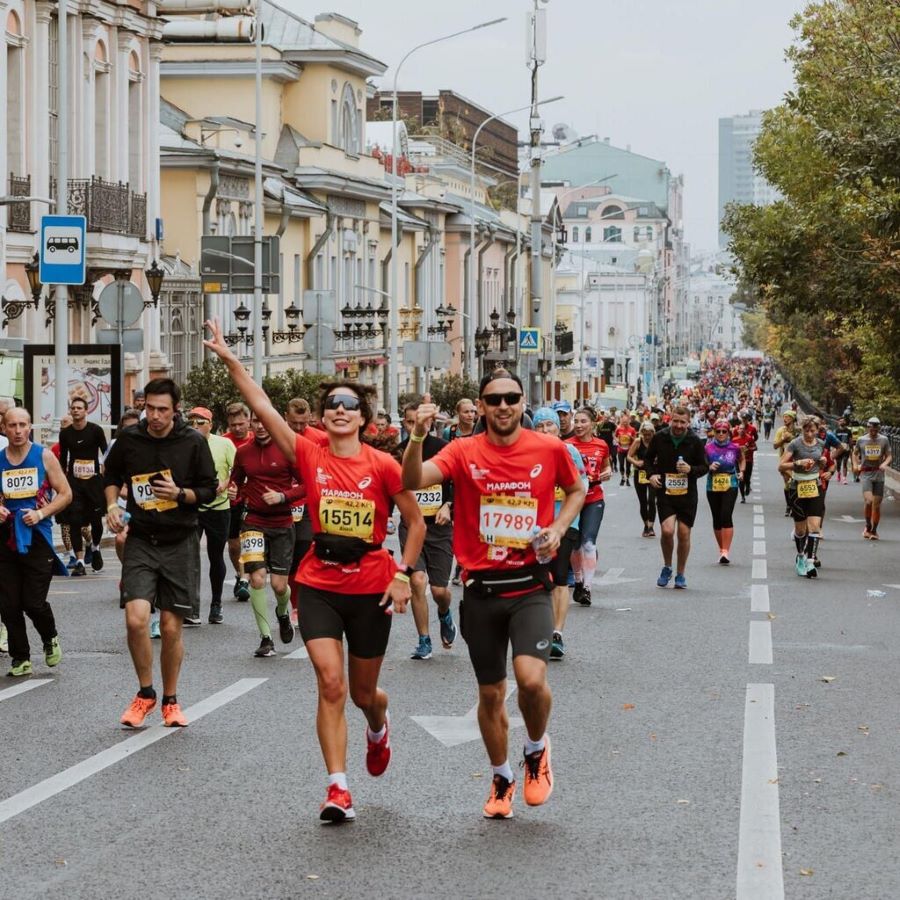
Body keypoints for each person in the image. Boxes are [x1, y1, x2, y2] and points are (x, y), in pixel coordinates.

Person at [204, 319, 424, 824]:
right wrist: (229, 359)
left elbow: (413, 524)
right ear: (322, 418)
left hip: (371, 581)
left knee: (365, 693)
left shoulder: (384, 465)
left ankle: (377, 724)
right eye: (333, 406)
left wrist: (402, 573)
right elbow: (260, 405)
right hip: (320, 580)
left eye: (350, 406)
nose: (340, 412)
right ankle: (338, 787)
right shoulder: (308, 452)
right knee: (330, 683)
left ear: (364, 418)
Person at [402, 374, 584, 820]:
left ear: (523, 402)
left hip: (529, 585)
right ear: (481, 407)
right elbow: (412, 478)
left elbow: (576, 488)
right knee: (490, 696)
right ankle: (502, 776)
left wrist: (558, 528)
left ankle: (537, 750)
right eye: (493, 400)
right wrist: (418, 437)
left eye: (511, 398)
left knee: (531, 680)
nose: (503, 406)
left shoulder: (549, 449)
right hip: (481, 591)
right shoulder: (463, 451)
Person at [104, 378, 218, 728]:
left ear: (175, 410)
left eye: (162, 410)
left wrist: (180, 494)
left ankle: (171, 700)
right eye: (149, 408)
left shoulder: (193, 442)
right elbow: (109, 474)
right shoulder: (129, 439)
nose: (154, 416)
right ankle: (145, 694)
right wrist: (111, 504)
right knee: (136, 618)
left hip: (180, 540)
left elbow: (209, 490)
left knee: (170, 628)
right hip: (140, 538)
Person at [0, 407, 72, 677]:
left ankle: (49, 636)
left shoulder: (42, 456)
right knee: (8, 603)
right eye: (12, 426)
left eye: (22, 425)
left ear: (30, 427)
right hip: (5, 537)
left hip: (37, 537)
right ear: (4, 429)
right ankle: (20, 658)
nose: (18, 431)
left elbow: (65, 494)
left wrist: (41, 512)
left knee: (33, 602)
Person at [228, 412, 302, 656]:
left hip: (282, 523)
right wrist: (234, 494)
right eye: (256, 421)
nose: (260, 426)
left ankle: (282, 613)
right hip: (253, 521)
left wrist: (283, 497)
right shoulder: (244, 452)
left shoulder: (286, 449)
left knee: (280, 586)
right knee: (257, 579)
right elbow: (236, 482)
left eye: (265, 421)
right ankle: (266, 638)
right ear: (251, 423)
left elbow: (307, 485)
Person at [397, 402, 457, 660]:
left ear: (429, 423)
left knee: (439, 591)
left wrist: (448, 504)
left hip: (440, 528)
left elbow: (458, 482)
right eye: (409, 422)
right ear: (404, 424)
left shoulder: (443, 449)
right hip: (411, 527)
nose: (414, 426)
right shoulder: (399, 452)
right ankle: (424, 639)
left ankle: (444, 613)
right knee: (417, 581)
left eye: (418, 421)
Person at [532, 407, 586, 660]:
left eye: (549, 426)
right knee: (540, 579)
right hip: (534, 526)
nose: (545, 431)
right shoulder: (528, 453)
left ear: (558, 428)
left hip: (564, 523)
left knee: (560, 576)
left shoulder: (570, 453)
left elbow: (580, 488)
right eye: (540, 426)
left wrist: (565, 521)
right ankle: (537, 627)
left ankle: (557, 633)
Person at [644, 406, 709, 589]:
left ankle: (680, 574)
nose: (678, 425)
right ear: (670, 419)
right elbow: (648, 459)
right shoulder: (660, 437)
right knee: (667, 531)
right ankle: (667, 566)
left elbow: (704, 467)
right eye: (675, 421)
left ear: (688, 422)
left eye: (682, 422)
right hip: (665, 492)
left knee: (683, 533)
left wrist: (690, 470)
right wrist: (651, 475)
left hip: (687, 494)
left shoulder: (694, 441)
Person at [189, 406, 235, 625]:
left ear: (210, 424)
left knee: (216, 557)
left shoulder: (224, 444)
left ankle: (216, 604)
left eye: (200, 422)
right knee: (189, 556)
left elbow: (237, 470)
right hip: (194, 508)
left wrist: (225, 484)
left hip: (219, 507)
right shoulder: (185, 443)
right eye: (192, 422)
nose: (196, 426)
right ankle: (191, 606)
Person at [565, 406, 611, 607]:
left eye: (584, 421)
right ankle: (577, 580)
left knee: (589, 542)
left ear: (593, 424)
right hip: (572, 500)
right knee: (574, 544)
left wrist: (606, 472)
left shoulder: (601, 445)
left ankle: (587, 588)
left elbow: (606, 465)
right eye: (577, 421)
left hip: (594, 498)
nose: (579, 425)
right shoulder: (566, 445)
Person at [56, 397, 108, 575]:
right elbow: (63, 459)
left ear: (86, 411)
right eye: (73, 408)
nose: (76, 410)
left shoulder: (95, 430)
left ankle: (94, 547)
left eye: (79, 408)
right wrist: (62, 480)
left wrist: (104, 472)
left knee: (96, 521)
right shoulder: (66, 434)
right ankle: (79, 561)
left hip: (93, 481)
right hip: (74, 481)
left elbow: (106, 452)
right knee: (74, 520)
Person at [284, 398, 322, 624]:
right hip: (282, 503)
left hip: (308, 502)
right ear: (285, 417)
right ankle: (294, 603)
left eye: (303, 423)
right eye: (294, 423)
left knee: (305, 552)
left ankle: (304, 605)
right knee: (288, 562)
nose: (298, 428)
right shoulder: (277, 436)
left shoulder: (318, 438)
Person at [778, 416, 830, 577]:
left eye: (812, 430)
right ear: (802, 430)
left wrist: (822, 463)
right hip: (797, 487)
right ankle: (800, 556)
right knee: (800, 529)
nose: (809, 434)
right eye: (806, 430)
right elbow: (781, 465)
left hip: (815, 487)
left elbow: (826, 462)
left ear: (817, 430)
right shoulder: (795, 444)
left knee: (814, 526)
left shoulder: (821, 444)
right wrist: (797, 464)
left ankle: (810, 561)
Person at [223, 402, 254, 600]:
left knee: (250, 540)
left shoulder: (256, 440)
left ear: (248, 421)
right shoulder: (224, 441)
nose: (237, 428)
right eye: (233, 424)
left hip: (253, 500)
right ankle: (240, 573)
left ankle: (244, 579)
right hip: (232, 500)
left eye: (241, 424)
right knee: (234, 545)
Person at [705, 420, 744, 564]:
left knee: (726, 514)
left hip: (730, 483)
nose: (721, 434)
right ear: (714, 432)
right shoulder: (708, 447)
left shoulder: (735, 447)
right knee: (716, 517)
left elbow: (741, 460)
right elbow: (702, 464)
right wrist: (709, 466)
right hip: (712, 485)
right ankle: (721, 549)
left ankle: (726, 551)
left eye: (724, 431)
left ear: (728, 433)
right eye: (718, 431)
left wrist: (742, 472)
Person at [852, 417, 892, 540]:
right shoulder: (861, 440)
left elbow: (889, 456)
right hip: (866, 474)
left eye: (876, 427)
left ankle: (874, 530)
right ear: (868, 427)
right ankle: (867, 526)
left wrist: (884, 464)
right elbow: (855, 453)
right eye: (871, 427)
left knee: (877, 505)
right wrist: (855, 465)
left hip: (879, 475)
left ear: (878, 428)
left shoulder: (884, 440)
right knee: (869, 501)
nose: (873, 429)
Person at [627, 422, 658, 537]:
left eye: (649, 434)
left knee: (651, 500)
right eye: (645, 435)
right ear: (642, 433)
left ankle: (651, 526)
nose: (647, 437)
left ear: (653, 433)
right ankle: (646, 525)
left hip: (653, 474)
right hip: (640, 473)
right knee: (643, 501)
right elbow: (629, 456)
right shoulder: (638, 441)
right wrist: (636, 462)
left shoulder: (656, 441)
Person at [773, 410, 799, 516]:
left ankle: (794, 505)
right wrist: (783, 439)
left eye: (787, 417)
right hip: (785, 461)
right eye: (784, 417)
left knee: (796, 483)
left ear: (793, 419)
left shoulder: (798, 431)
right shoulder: (781, 431)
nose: (785, 419)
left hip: (797, 460)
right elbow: (775, 446)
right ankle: (789, 505)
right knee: (788, 484)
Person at [614, 412, 637, 486]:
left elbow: (635, 440)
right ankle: (622, 477)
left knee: (628, 466)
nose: (624, 423)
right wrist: (616, 440)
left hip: (629, 451)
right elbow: (614, 436)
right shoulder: (619, 429)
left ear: (628, 421)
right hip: (620, 450)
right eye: (623, 422)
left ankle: (627, 479)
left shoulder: (632, 429)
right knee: (621, 465)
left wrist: (631, 437)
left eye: (626, 422)